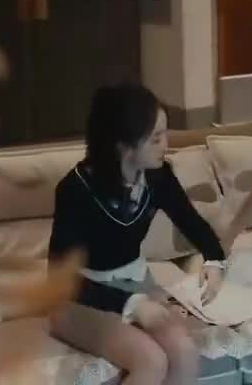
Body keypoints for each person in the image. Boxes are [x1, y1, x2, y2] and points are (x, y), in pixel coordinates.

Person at [48, 83, 226, 385]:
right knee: (151, 361)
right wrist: (132, 305)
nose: (166, 144)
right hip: (81, 298)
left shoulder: (158, 175)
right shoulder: (75, 190)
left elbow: (192, 222)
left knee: (184, 352)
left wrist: (215, 260)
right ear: (123, 145)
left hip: (135, 282)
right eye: (156, 138)